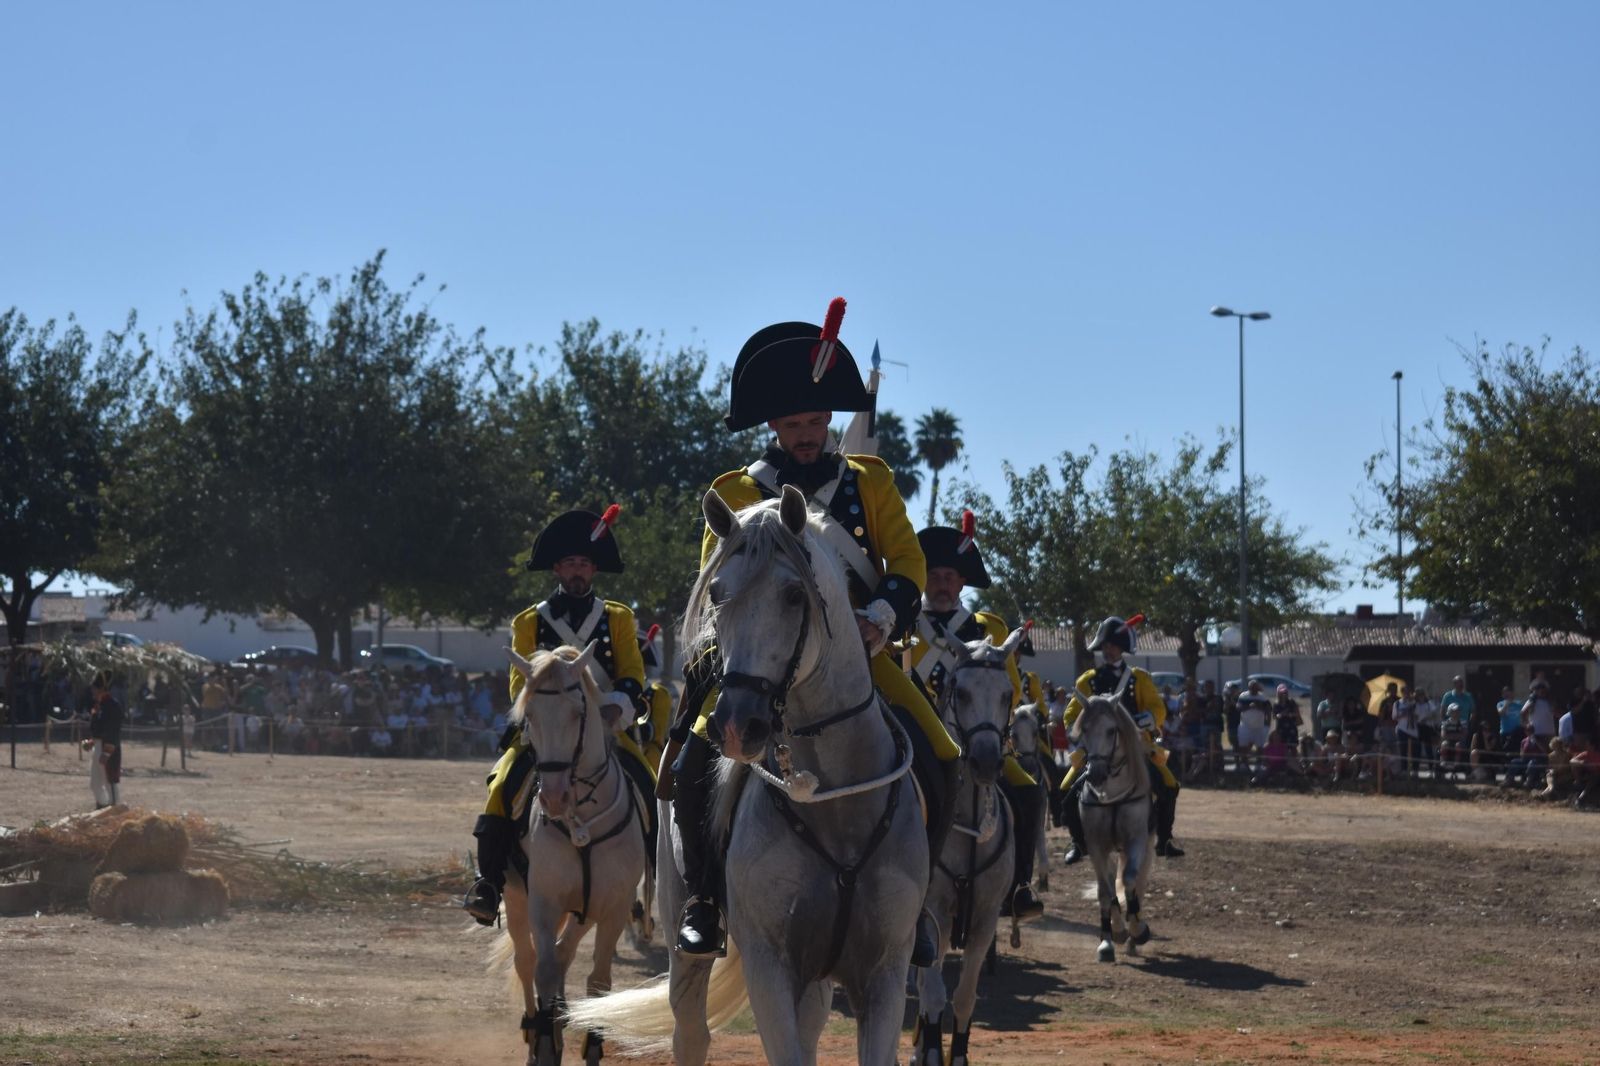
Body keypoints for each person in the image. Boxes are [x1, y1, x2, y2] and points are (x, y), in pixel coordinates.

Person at [671, 299, 962, 967]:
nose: (804, 434)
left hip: (862, 654)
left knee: (942, 755)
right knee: (691, 764)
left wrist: (880, 619)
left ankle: (913, 908)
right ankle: (705, 902)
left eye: (813, 421)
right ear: (774, 424)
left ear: (829, 418)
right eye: (792, 423)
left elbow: (907, 563)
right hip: (758, 657)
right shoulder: (736, 490)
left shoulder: (871, 483)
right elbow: (714, 584)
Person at [462, 505, 655, 927]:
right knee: (502, 784)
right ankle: (489, 881)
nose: (577, 571)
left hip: (604, 728)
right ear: (556, 569)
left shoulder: (618, 617)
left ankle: (662, 876)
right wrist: (533, 713)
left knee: (649, 785)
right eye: (569, 564)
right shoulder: (529, 620)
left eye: (583, 563)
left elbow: (631, 674)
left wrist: (615, 706)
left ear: (594, 569)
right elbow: (520, 684)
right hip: (546, 730)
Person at [902, 519, 1045, 921]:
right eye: (934, 575)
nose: (941, 584)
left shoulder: (988, 628)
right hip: (917, 740)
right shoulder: (905, 624)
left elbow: (1011, 688)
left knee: (1030, 792)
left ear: (962, 582)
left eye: (949, 576)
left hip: (978, 738)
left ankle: (1020, 887)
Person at [1059, 615, 1186, 863]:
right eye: (1105, 646)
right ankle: (1078, 842)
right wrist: (1083, 737)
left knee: (1169, 785)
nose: (1109, 650)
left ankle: (1165, 840)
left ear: (1122, 648)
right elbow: (1071, 715)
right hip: (1098, 749)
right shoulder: (1088, 680)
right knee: (1065, 789)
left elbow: (1157, 709)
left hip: (1136, 747)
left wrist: (1137, 722)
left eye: (1114, 646)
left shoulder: (1139, 678)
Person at [83, 671, 124, 808]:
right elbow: (97, 730)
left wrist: (107, 752)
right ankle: (102, 808)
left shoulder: (113, 706)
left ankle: (114, 810)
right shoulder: (98, 706)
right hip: (98, 747)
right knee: (95, 784)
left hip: (108, 748)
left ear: (102, 689)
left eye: (95, 687)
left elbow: (113, 731)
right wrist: (91, 742)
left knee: (109, 782)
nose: (92, 690)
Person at [1235, 680, 1273, 773]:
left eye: (1256, 687)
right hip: (1246, 725)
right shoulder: (1243, 696)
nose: (1254, 689)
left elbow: (1268, 709)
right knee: (1243, 746)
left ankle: (1258, 765)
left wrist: (1267, 722)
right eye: (1252, 688)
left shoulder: (1262, 697)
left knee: (1260, 746)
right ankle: (1244, 765)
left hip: (1259, 726)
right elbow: (1238, 708)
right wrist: (1250, 706)